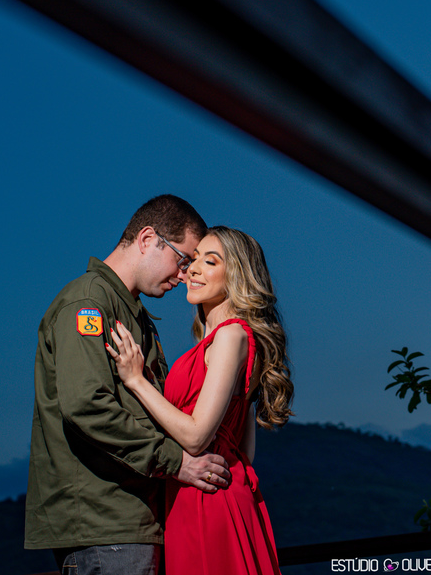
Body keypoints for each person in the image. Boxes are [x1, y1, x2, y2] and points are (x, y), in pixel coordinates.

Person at [24, 195, 233, 575]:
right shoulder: (88, 303)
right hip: (105, 521)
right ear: (148, 239)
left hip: (132, 519)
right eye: (182, 260)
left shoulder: (131, 312)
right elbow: (86, 405)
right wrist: (176, 462)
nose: (184, 275)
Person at [107, 225, 293, 575]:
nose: (192, 269)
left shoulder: (231, 336)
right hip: (212, 490)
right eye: (193, 260)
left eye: (210, 261)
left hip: (205, 497)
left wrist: (136, 382)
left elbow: (195, 437)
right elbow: (244, 451)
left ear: (237, 275)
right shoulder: (232, 340)